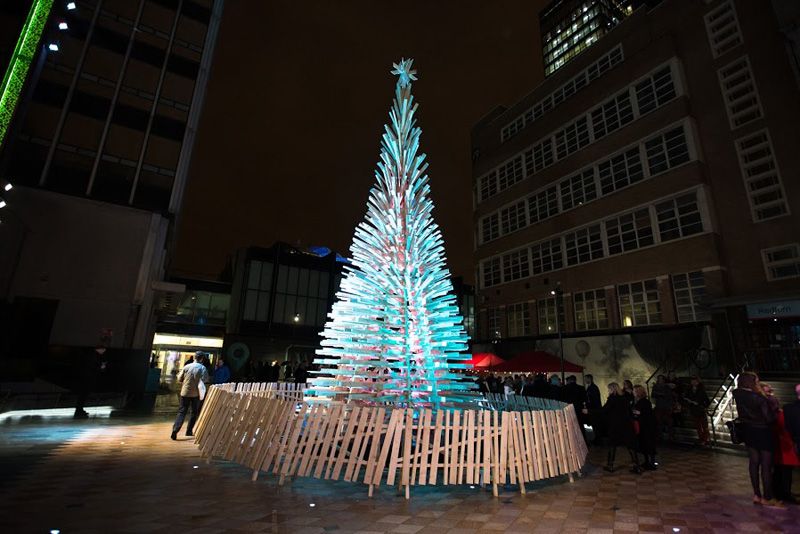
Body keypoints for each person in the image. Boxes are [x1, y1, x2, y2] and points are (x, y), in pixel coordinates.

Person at [732, 372, 782, 508]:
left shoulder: (738, 394)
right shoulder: (758, 398)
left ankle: (756, 495)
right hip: (762, 431)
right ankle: (767, 497)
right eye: (756, 380)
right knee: (766, 466)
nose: (758, 382)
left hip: (748, 431)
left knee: (753, 463)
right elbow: (769, 419)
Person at [602, 382, 641, 474]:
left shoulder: (612, 399)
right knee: (630, 446)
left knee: (612, 445)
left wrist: (590, 411)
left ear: (613, 390)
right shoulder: (625, 399)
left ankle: (610, 465)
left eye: (609, 389)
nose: (608, 391)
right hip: (626, 424)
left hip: (615, 425)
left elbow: (604, 410)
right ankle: (637, 466)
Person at [171, 352, 209, 441]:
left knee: (181, 412)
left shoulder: (187, 366)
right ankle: (189, 431)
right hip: (196, 394)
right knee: (194, 412)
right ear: (202, 359)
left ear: (195, 357)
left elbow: (180, 378)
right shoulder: (202, 368)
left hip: (185, 392)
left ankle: (175, 430)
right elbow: (205, 379)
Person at [633, 385, 658, 470]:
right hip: (643, 425)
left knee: (649, 444)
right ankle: (647, 461)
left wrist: (637, 412)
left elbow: (645, 413)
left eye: (634, 390)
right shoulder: (639, 401)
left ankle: (651, 463)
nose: (633, 392)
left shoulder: (644, 402)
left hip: (648, 427)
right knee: (644, 444)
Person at [684, 377, 711, 447]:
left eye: (695, 381)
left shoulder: (701, 391)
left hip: (700, 410)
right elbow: (686, 398)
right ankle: (701, 439)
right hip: (693, 410)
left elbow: (707, 401)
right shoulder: (689, 390)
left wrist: (701, 405)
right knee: (698, 426)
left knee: (704, 426)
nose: (693, 383)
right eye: (692, 381)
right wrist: (689, 402)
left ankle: (705, 439)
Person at [563, 375, 588, 441]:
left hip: (568, 408)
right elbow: (584, 399)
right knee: (580, 424)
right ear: (575, 380)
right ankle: (582, 439)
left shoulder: (565, 388)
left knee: (570, 424)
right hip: (579, 408)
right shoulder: (581, 388)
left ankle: (571, 439)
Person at [651, 375, 675, 441]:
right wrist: (657, 394)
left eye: (661, 379)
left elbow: (670, 396)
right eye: (659, 379)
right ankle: (660, 435)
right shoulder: (655, 386)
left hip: (666, 406)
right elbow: (652, 395)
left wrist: (670, 405)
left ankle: (671, 435)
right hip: (659, 406)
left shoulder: (667, 387)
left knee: (669, 421)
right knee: (659, 421)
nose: (660, 380)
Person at [585, 374, 603, 444]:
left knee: (596, 424)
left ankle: (598, 439)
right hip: (593, 408)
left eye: (586, 379)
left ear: (590, 379)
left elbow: (594, 399)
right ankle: (597, 438)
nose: (585, 380)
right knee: (595, 424)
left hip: (594, 408)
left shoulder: (593, 388)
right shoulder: (592, 387)